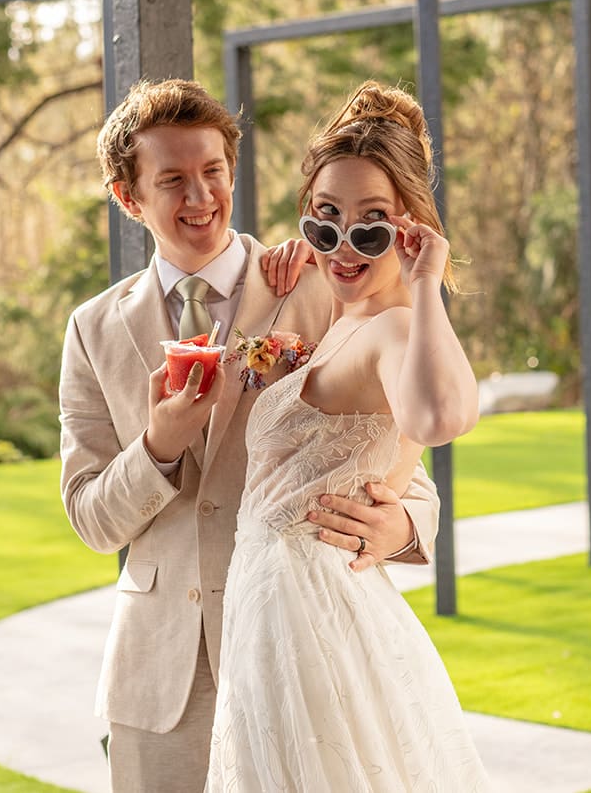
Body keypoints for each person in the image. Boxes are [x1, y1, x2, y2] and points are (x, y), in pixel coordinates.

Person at [57, 78, 442, 793]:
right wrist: (159, 447)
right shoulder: (94, 330)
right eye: (172, 179)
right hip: (159, 686)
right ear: (127, 196)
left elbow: (400, 458)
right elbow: (88, 516)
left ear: (233, 172)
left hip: (302, 656)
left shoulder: (323, 286)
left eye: (212, 172)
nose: (200, 196)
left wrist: (402, 528)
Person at [206, 81, 492, 792]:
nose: (342, 245)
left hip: (310, 613)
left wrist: (426, 286)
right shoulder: (347, 315)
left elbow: (437, 420)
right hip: (275, 607)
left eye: (370, 226)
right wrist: (289, 281)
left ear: (410, 228)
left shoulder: (395, 325)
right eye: (324, 221)